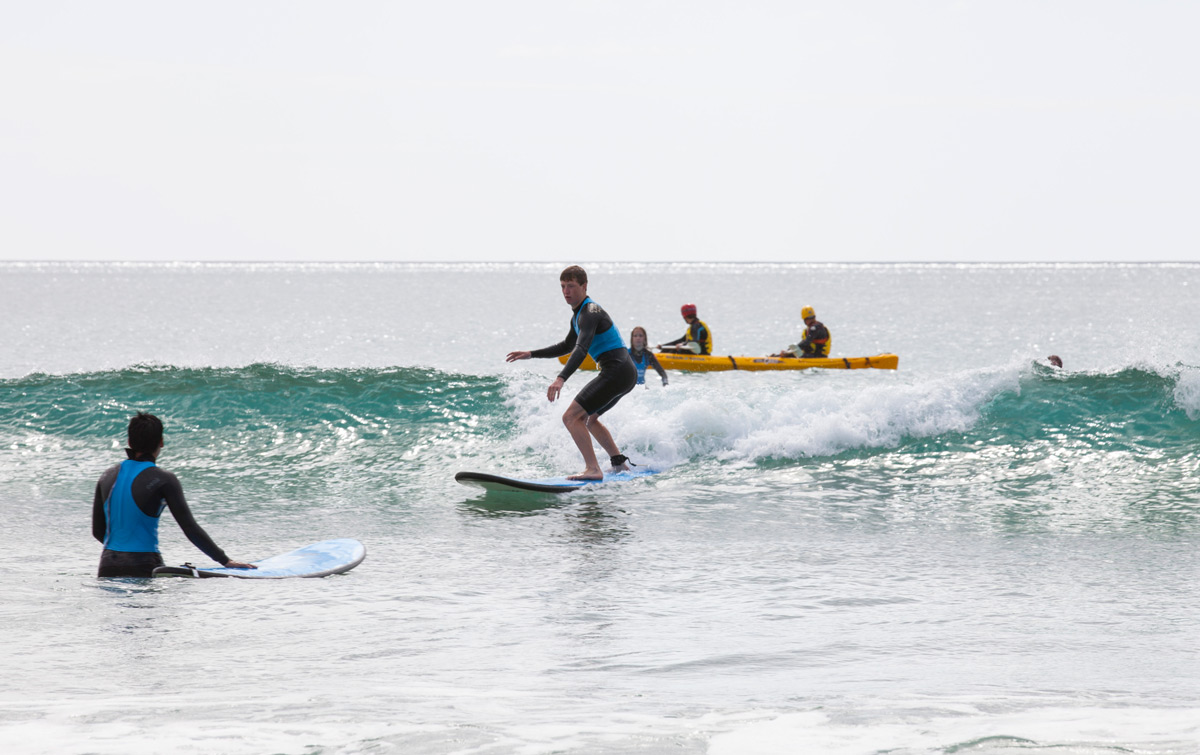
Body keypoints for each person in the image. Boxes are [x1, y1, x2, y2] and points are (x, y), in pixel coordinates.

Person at [506, 266, 638, 481]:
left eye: (571, 286)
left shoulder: (590, 312)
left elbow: (581, 348)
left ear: (584, 286)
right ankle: (619, 463)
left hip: (616, 371)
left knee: (570, 417)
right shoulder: (579, 315)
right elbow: (567, 345)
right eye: (563, 287)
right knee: (589, 419)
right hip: (625, 372)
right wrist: (531, 354)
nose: (566, 291)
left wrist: (561, 378)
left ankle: (593, 469)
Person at [92, 412, 255, 578]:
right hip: (144, 564)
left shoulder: (107, 476)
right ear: (161, 442)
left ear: (129, 442)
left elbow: (98, 531)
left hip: (107, 565)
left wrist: (119, 553)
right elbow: (189, 528)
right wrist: (224, 560)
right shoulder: (163, 479)